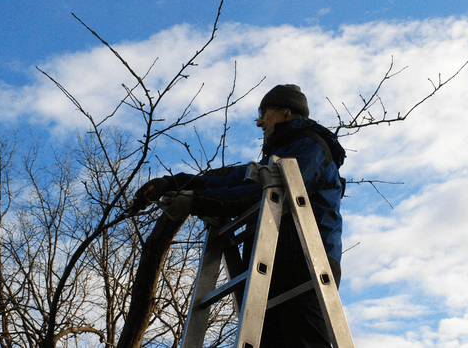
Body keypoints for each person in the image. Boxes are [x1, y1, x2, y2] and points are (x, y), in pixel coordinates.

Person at [132, 84, 346, 348]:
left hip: (306, 263)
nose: (259, 122)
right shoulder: (277, 158)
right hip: (274, 261)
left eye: (264, 112)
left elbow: (254, 193)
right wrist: (173, 183)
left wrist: (196, 202)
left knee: (306, 342)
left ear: (287, 112)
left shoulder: (311, 148)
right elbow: (230, 180)